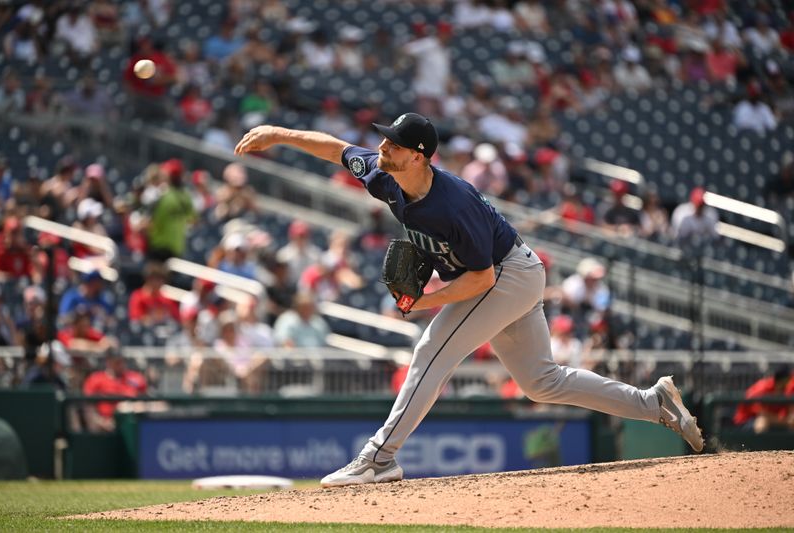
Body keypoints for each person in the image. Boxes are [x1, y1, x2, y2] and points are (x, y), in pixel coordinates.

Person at [234, 111, 704, 488]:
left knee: (431, 351)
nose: (381, 147)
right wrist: (277, 134)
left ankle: (378, 458)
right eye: (383, 140)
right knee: (542, 382)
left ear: (418, 156)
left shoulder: (451, 204)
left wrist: (422, 303)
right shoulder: (384, 175)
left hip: (506, 276)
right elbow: (336, 149)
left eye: (392, 143)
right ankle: (653, 402)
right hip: (508, 275)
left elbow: (480, 279)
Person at [732, 367, 794, 434]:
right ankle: (756, 444)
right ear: (783, 380)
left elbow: (789, 412)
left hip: (771, 420)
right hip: (746, 421)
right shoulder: (763, 387)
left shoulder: (785, 390)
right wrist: (785, 421)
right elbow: (762, 414)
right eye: (789, 379)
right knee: (761, 422)